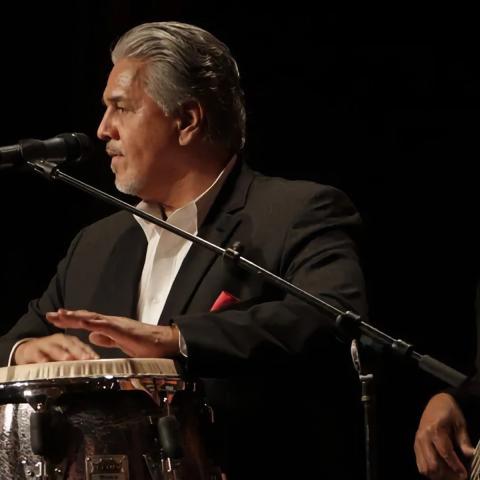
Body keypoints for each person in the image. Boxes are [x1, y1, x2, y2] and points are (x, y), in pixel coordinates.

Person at [0, 21, 368, 479]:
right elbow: (12, 343)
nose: (101, 130)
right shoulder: (96, 243)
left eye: (121, 108)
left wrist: (176, 339)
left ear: (187, 120)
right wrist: (26, 352)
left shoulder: (294, 212)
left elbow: (333, 315)